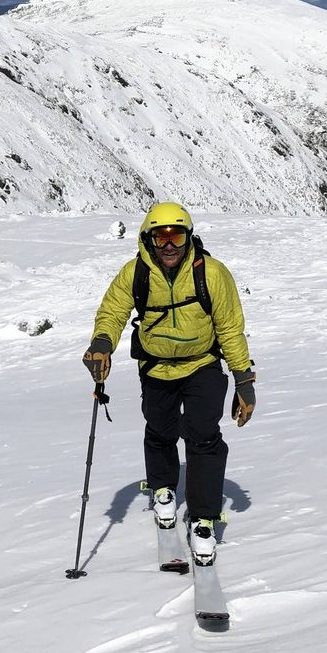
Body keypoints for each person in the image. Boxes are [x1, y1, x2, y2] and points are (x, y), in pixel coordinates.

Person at [83, 202, 255, 565]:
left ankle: (204, 518)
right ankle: (163, 489)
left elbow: (230, 328)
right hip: (156, 367)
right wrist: (102, 343)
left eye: (176, 235)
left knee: (204, 436)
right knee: (160, 430)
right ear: (148, 240)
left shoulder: (212, 273)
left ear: (188, 237)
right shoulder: (136, 273)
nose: (169, 244)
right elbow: (113, 311)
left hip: (203, 365)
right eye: (160, 237)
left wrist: (243, 379)